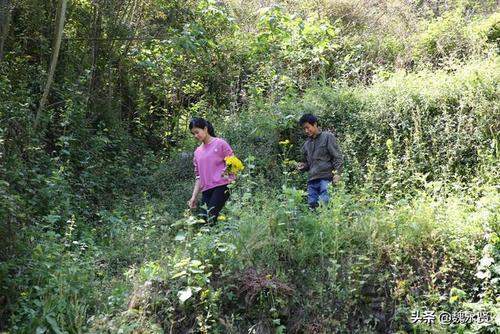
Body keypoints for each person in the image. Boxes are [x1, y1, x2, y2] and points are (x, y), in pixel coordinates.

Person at [187, 117, 234, 223]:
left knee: (211, 217)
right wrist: (193, 197)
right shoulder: (197, 152)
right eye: (193, 134)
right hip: (206, 190)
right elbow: (198, 177)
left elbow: (233, 162)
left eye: (197, 132)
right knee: (203, 219)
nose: (195, 136)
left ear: (205, 129)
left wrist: (228, 177)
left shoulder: (220, 143)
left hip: (221, 186)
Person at [297, 114, 343, 209]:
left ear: (315, 124)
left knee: (324, 204)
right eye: (304, 129)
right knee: (312, 206)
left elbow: (337, 157)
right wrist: (303, 166)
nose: (306, 131)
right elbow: (308, 164)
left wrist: (338, 173)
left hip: (326, 178)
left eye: (307, 127)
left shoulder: (327, 137)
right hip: (312, 181)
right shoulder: (306, 144)